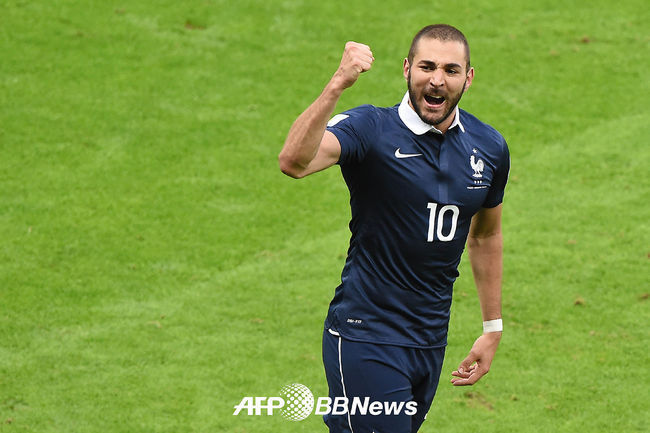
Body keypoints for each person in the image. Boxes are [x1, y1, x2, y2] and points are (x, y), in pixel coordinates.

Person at [278, 24, 510, 433]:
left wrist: (492, 327)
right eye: (427, 67)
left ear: (468, 78)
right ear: (407, 69)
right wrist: (337, 84)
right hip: (366, 337)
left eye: (451, 70)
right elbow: (294, 161)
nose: (437, 80)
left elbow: (485, 234)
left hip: (429, 342)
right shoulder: (371, 129)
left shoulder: (488, 147)